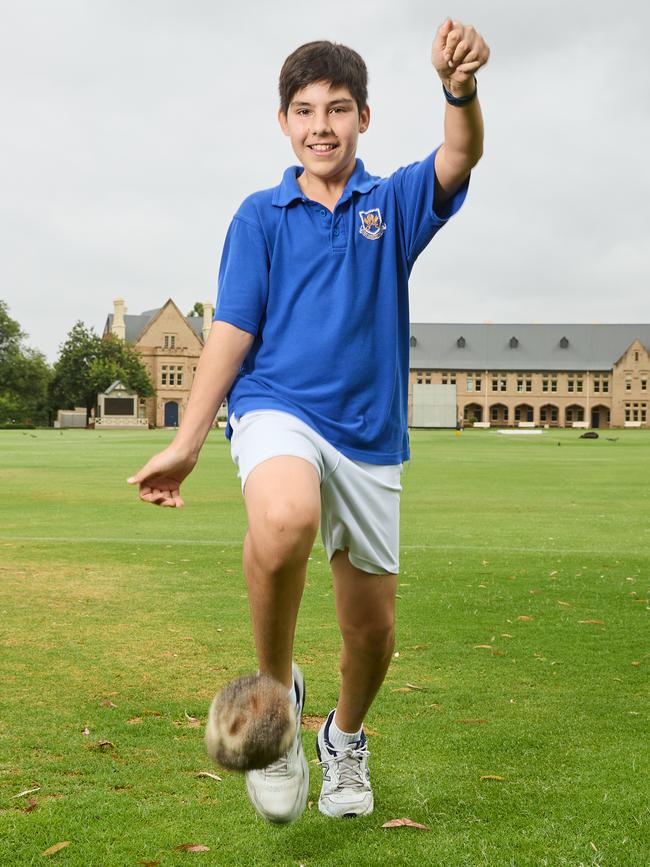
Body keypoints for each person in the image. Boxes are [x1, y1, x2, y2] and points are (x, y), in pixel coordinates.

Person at [128, 17, 489, 823]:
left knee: (373, 633)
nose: (320, 125)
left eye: (337, 108)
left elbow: (460, 155)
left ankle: (344, 738)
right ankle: (277, 708)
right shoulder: (259, 216)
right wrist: (187, 441)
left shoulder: (390, 203)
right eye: (304, 110)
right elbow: (230, 332)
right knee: (285, 518)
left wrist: (459, 89)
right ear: (283, 121)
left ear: (365, 116)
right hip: (276, 409)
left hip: (369, 434)